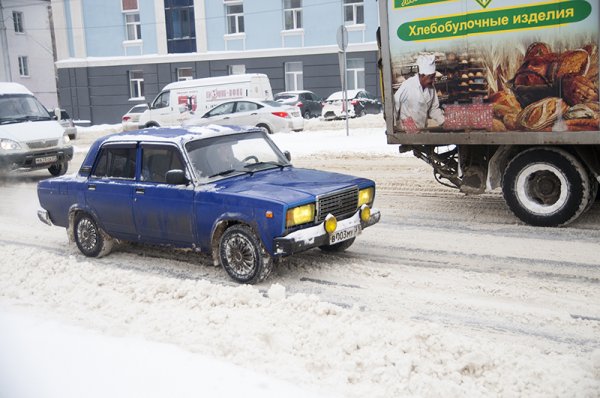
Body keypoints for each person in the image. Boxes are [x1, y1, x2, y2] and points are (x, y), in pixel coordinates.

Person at [394, 54, 445, 132]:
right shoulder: (408, 85)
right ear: (422, 75)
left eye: (433, 77)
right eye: (431, 77)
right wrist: (394, 126)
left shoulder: (431, 88)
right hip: (407, 130)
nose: (433, 80)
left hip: (422, 129)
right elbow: (395, 104)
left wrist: (443, 122)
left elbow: (433, 108)